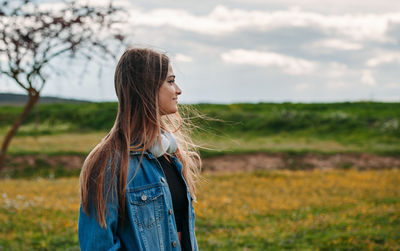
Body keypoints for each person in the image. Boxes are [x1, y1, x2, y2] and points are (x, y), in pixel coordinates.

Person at [78, 48, 201, 251]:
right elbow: (97, 245)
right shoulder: (107, 162)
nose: (178, 90)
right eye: (170, 81)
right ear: (147, 87)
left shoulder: (170, 153)